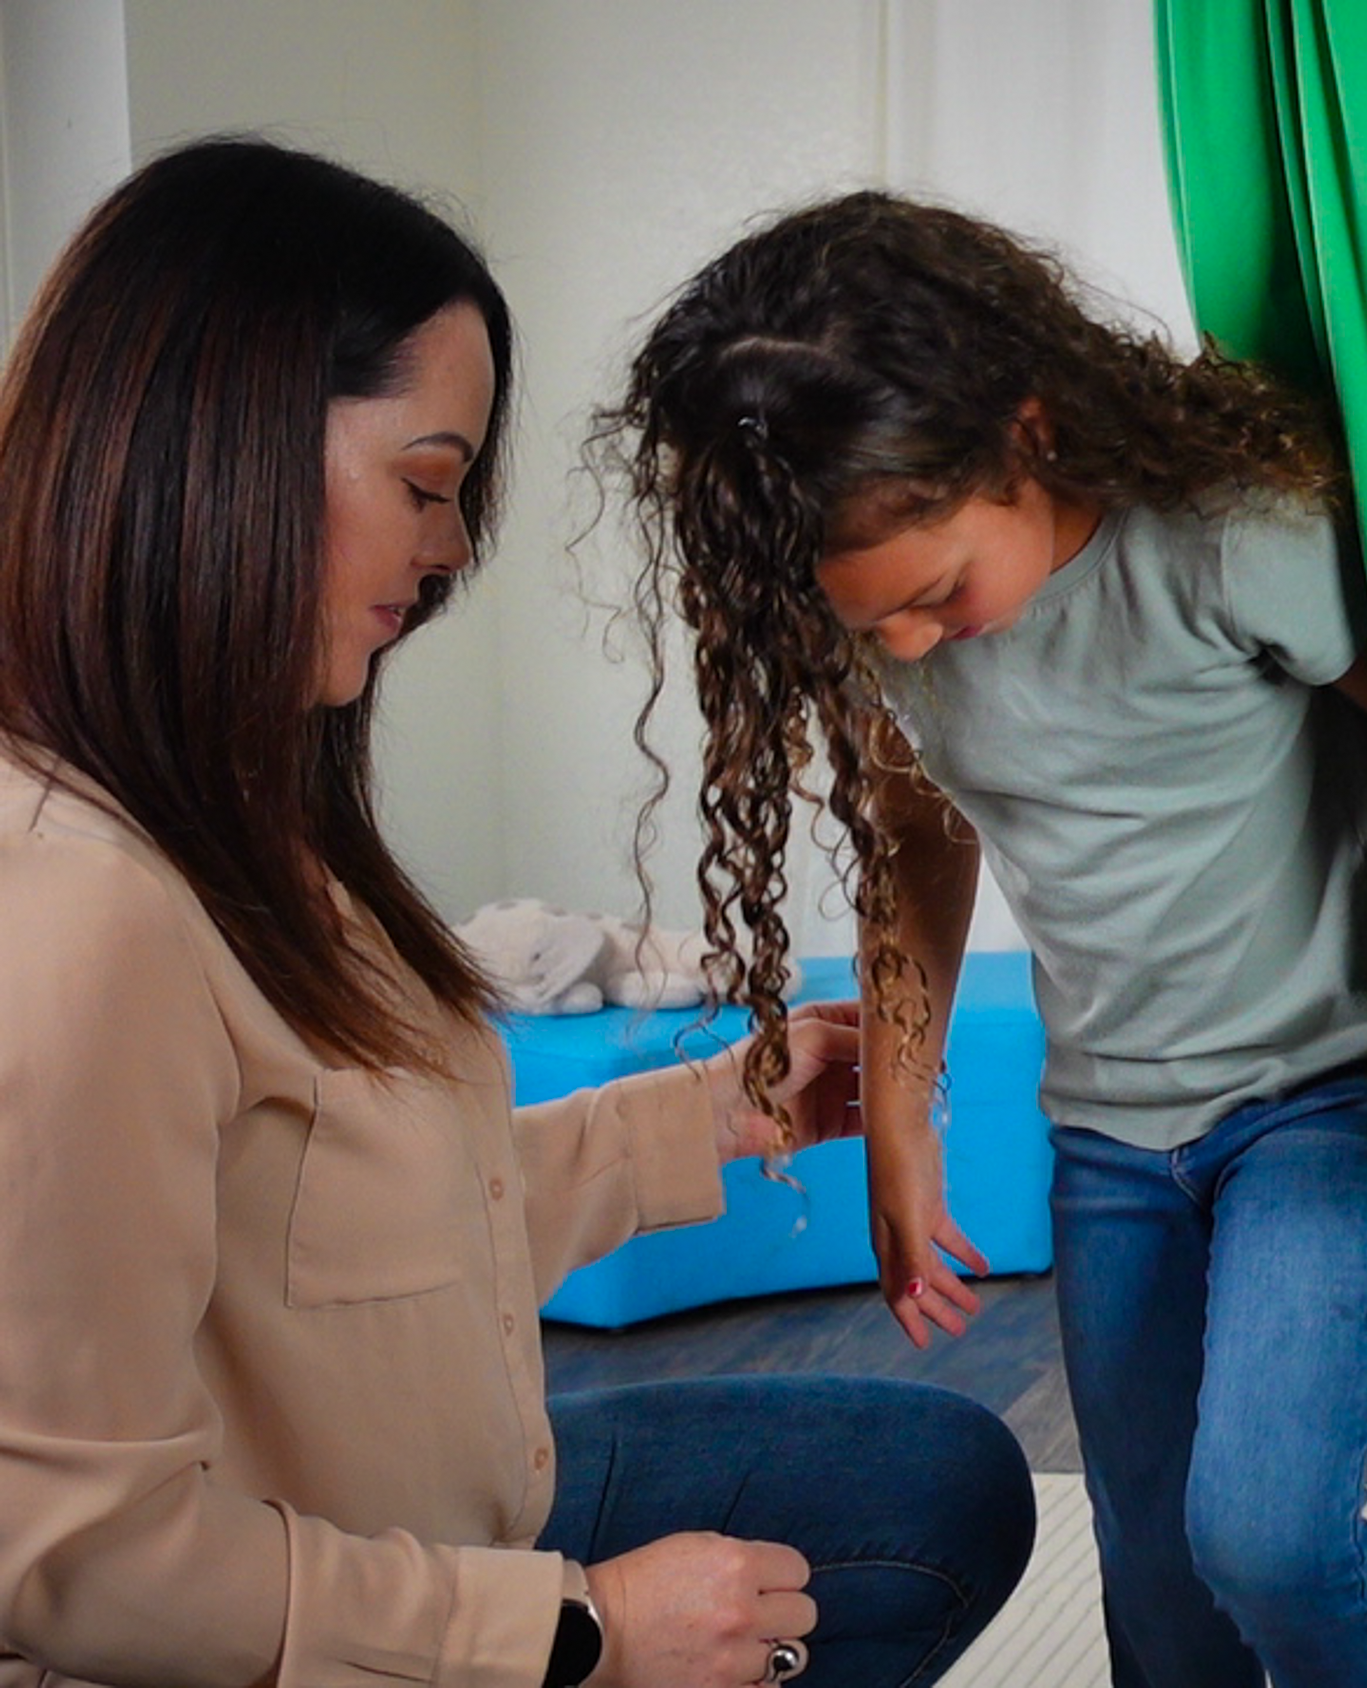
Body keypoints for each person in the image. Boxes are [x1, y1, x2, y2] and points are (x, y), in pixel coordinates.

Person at [0, 139, 1034, 1688]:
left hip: (449, 1517)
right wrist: (582, 1636)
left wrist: (728, 1109)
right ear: (216, 441)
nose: (455, 549)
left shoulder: (240, 810)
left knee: (934, 1484)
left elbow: (360, 1233)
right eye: (426, 484)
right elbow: (73, 1562)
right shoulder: (80, 917)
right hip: (336, 1621)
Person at [604, 191, 1367, 1688]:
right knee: (1157, 1583)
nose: (905, 647)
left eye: (934, 597)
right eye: (870, 624)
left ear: (1026, 431)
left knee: (1270, 1536)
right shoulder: (872, 614)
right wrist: (903, 1127)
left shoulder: (1228, 541)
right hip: (1111, 1138)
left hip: (1328, 1098)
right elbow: (915, 842)